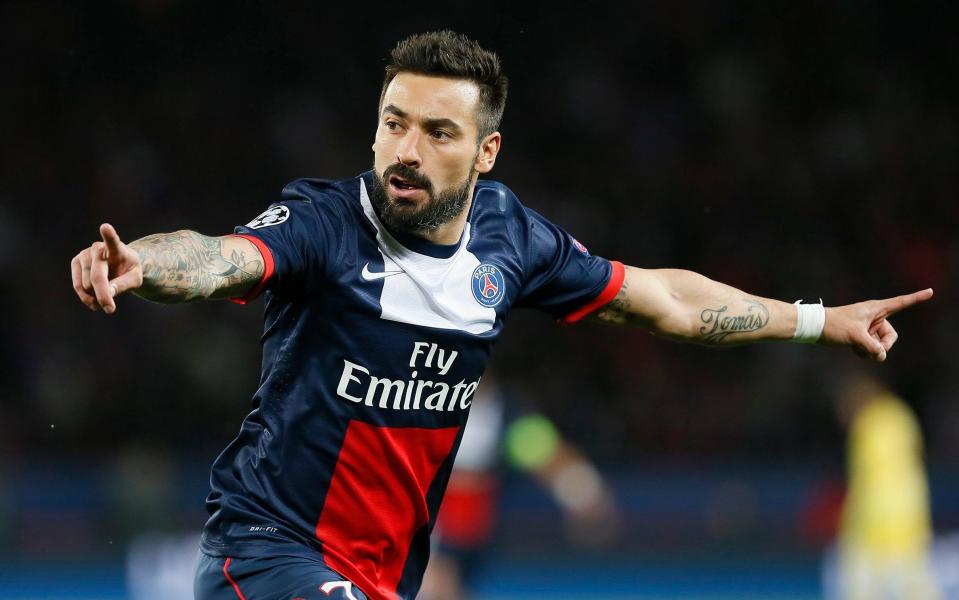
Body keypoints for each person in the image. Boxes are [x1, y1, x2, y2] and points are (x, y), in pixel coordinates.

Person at [69, 30, 932, 600]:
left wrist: (821, 319)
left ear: (485, 152)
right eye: (392, 123)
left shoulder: (510, 241)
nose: (405, 151)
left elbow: (664, 301)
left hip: (388, 577)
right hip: (265, 554)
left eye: (437, 132)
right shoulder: (326, 224)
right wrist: (144, 264)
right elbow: (220, 258)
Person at [418, 373, 620, 600]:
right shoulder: (407, 409)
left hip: (471, 538)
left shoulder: (506, 414)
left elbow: (546, 453)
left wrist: (585, 495)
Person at [832, 373, 940, 599]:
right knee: (915, 589)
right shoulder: (902, 415)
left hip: (875, 524)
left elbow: (870, 478)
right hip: (911, 518)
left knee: (856, 586)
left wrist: (850, 524)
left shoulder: (866, 423)